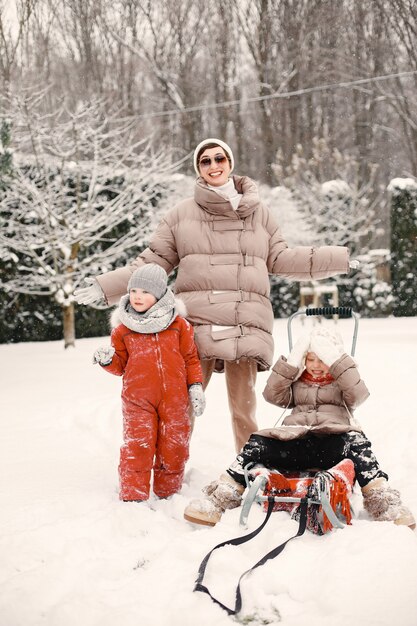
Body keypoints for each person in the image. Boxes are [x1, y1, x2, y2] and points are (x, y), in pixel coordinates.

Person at [75, 137, 356, 452]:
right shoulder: (181, 215)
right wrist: (104, 287)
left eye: (219, 158)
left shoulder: (260, 213)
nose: (213, 166)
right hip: (197, 324)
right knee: (182, 405)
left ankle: (250, 467)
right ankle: (171, 465)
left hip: (245, 322)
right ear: (198, 168)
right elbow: (150, 264)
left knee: (244, 408)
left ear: (230, 163)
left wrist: (338, 259)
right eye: (205, 161)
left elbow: (283, 259)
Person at [183, 326, 415, 529]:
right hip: (294, 444)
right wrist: (292, 362)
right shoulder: (296, 382)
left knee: (357, 441)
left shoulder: (342, 385)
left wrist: (337, 361)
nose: (315, 366)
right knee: (257, 442)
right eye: (310, 358)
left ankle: (383, 502)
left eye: (322, 359)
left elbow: (359, 394)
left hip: (330, 447)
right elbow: (271, 394)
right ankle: (219, 498)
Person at [93, 264, 205, 502]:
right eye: (133, 291)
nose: (137, 297)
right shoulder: (123, 329)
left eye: (145, 291)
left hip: (175, 400)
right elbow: (120, 366)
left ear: (160, 294)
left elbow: (191, 359)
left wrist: (195, 386)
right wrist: (108, 360)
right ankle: (134, 498)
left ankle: (169, 495)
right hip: (137, 400)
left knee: (174, 447)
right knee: (138, 445)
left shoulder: (179, 326)